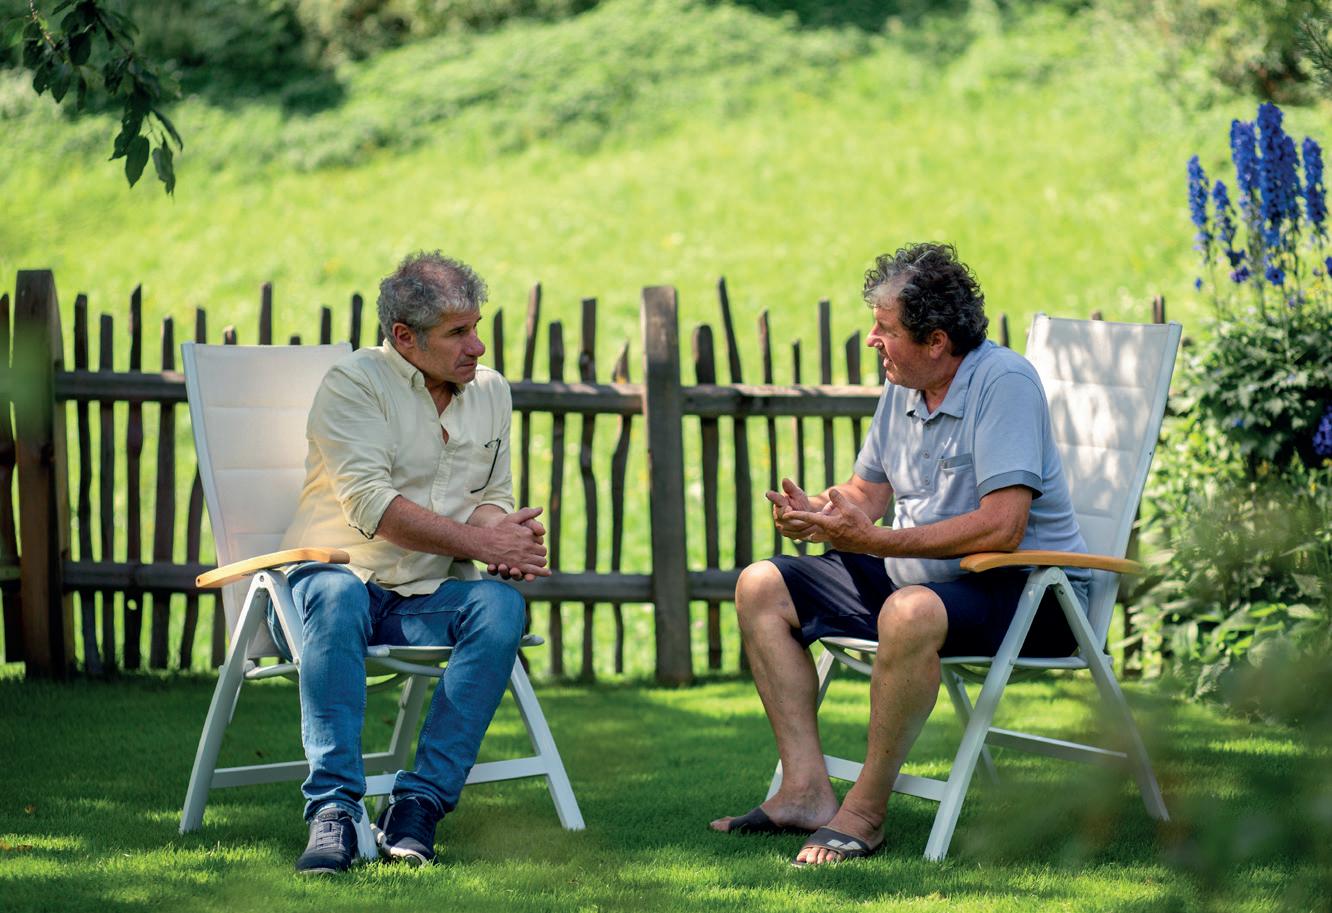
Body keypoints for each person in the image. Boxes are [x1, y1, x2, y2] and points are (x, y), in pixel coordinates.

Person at [709, 242, 1091, 866]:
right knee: (760, 585)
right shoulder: (905, 386)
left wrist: (876, 541)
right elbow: (868, 494)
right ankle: (804, 791)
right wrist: (822, 512)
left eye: (885, 329)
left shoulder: (1005, 384)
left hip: (1030, 594)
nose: (872, 340)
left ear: (936, 341)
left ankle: (865, 812)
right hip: (919, 583)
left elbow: (1004, 527)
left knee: (909, 611)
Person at [275, 251, 550, 875]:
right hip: (328, 588)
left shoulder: (490, 390)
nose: (477, 346)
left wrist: (505, 534)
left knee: (500, 606)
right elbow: (372, 506)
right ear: (405, 337)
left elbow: (489, 497)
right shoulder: (353, 383)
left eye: (477, 327)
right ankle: (334, 809)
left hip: (421, 598)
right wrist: (482, 544)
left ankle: (419, 803)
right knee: (338, 593)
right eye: (458, 332)